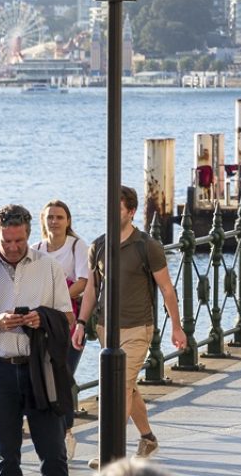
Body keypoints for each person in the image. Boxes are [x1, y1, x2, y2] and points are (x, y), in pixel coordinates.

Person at [73, 186, 188, 466]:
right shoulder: (98, 245)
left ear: (131, 212)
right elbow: (91, 290)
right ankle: (148, 438)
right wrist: (80, 323)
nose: (112, 214)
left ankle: (112, 453)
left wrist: (177, 326)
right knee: (128, 387)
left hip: (138, 327)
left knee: (119, 386)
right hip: (105, 329)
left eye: (119, 209)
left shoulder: (146, 245)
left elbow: (167, 288)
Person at [0, 204, 73, 476]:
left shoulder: (49, 267)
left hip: (41, 369)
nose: (12, 247)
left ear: (30, 234)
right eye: (6, 241)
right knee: (6, 459)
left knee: (55, 456)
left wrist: (41, 319)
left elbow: (67, 318)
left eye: (19, 240)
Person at [33, 199, 90, 459]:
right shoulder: (36, 249)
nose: (54, 221)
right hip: (42, 321)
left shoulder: (77, 246)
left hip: (68, 319)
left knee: (64, 375)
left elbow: (83, 281)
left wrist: (57, 299)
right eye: (50, 217)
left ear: (68, 221)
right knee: (46, 376)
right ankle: (55, 431)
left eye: (59, 217)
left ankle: (66, 431)